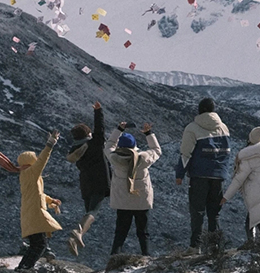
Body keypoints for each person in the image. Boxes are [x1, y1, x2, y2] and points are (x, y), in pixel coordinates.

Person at [0, 131, 62, 271]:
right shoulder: (31, 173)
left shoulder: (26, 175)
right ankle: (24, 268)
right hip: (35, 215)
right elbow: (43, 160)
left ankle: (23, 267)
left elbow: (37, 194)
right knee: (40, 245)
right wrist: (50, 144)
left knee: (37, 245)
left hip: (31, 215)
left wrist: (50, 200)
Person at [175, 98, 232, 253]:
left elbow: (185, 153)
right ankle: (215, 246)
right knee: (214, 214)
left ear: (199, 110)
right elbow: (227, 152)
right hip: (219, 176)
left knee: (197, 212)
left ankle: (195, 247)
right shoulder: (224, 128)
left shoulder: (192, 128)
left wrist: (179, 174)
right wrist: (223, 171)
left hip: (199, 175)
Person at [221, 127, 260, 248]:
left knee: (252, 221)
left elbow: (238, 180)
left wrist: (226, 197)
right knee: (257, 218)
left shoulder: (249, 158)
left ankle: (254, 244)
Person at [105, 122, 162, 256]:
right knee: (143, 232)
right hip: (141, 202)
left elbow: (109, 145)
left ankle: (114, 257)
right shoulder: (144, 159)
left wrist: (118, 129)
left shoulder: (114, 158)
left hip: (123, 202)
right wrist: (149, 133)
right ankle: (146, 257)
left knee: (120, 233)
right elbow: (156, 150)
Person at [66, 101, 112, 256]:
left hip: (85, 185)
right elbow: (100, 128)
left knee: (88, 213)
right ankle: (77, 233)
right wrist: (98, 111)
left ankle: (78, 236)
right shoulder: (95, 144)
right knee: (94, 210)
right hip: (100, 183)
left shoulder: (74, 150)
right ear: (88, 134)